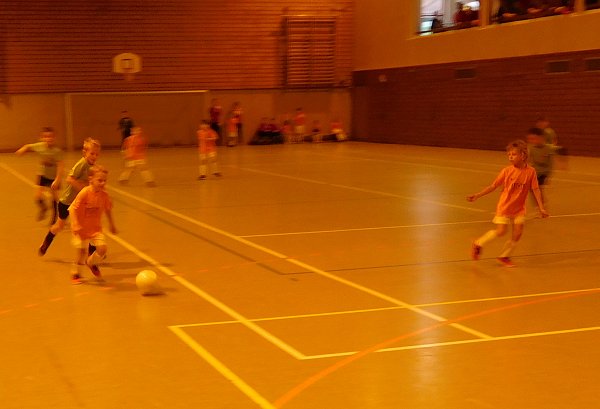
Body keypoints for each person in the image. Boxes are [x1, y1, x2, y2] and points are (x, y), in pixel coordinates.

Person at [467, 139, 549, 267]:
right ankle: (478, 243)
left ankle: (504, 256)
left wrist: (541, 207)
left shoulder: (531, 171)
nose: (510, 157)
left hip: (519, 208)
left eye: (513, 154)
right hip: (504, 206)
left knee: (518, 232)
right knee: (501, 232)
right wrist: (478, 195)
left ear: (523, 155)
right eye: (509, 154)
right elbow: (493, 186)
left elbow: (535, 189)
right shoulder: (506, 171)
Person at [39, 137, 101, 256]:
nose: (94, 156)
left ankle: (92, 253)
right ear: (85, 152)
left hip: (80, 203)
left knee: (91, 226)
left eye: (97, 154)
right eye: (92, 153)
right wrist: (83, 189)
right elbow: (69, 179)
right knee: (59, 226)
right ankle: (46, 242)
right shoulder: (82, 164)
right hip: (67, 202)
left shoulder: (93, 167)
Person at [68, 165, 117, 284]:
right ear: (91, 179)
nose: (103, 183)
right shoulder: (84, 193)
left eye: (105, 180)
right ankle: (75, 273)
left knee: (102, 249)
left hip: (95, 228)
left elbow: (108, 210)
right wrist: (75, 223)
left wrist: (112, 224)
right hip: (80, 227)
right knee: (81, 252)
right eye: (100, 180)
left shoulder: (104, 195)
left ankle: (91, 262)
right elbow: (72, 209)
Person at [15, 127, 64, 224]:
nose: (48, 139)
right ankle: (44, 208)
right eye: (46, 137)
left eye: (50, 136)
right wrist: (22, 150)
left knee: (54, 196)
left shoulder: (57, 151)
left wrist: (57, 179)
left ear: (54, 138)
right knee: (37, 196)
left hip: (54, 176)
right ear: (42, 138)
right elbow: (28, 146)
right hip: (43, 174)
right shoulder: (40, 146)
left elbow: (60, 166)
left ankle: (55, 216)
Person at [527, 127, 555, 206]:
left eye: (534, 139)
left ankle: (541, 206)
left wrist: (548, 176)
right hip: (535, 172)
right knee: (533, 189)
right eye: (530, 139)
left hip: (543, 172)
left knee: (536, 188)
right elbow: (528, 160)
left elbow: (551, 164)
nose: (531, 141)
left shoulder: (548, 148)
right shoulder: (531, 148)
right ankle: (541, 204)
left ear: (541, 138)